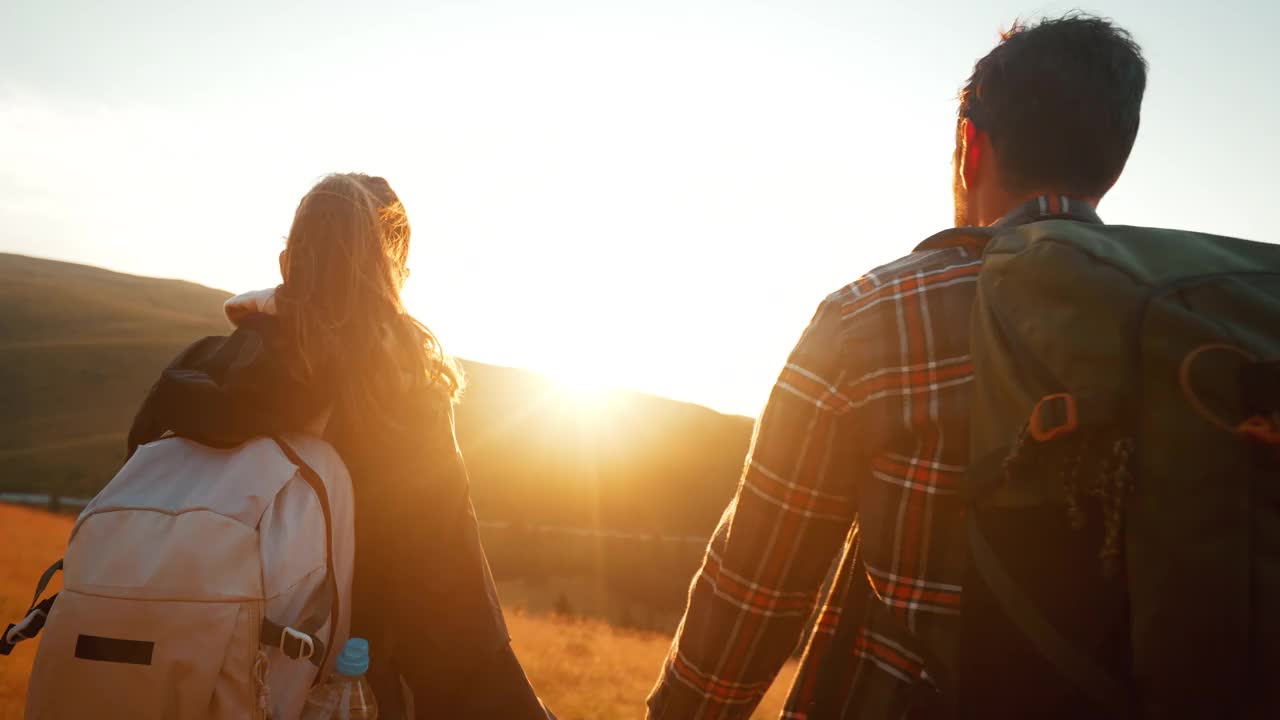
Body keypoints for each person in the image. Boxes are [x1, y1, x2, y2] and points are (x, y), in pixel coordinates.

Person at [647, 14, 1147, 719]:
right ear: (1112, 165)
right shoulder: (1184, 331)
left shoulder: (875, 318)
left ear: (970, 148)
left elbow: (757, 590)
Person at [127, 173, 555, 719]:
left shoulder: (191, 376)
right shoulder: (399, 402)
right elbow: (455, 627)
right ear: (394, 274)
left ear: (287, 265)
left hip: (166, 690)